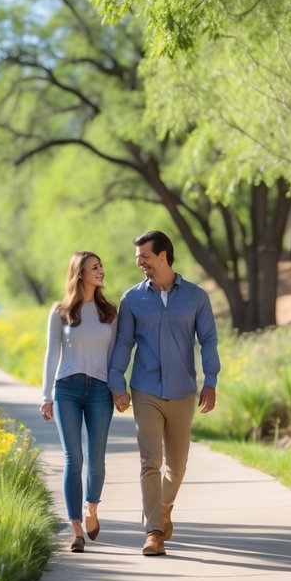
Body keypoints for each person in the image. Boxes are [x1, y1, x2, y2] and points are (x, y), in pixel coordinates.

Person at [108, 230, 220, 557]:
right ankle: (153, 532)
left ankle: (164, 506)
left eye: (144, 256)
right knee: (150, 461)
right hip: (145, 390)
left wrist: (210, 380)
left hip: (184, 390)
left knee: (178, 466)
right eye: (138, 257)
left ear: (163, 256)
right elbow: (124, 344)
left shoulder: (196, 297)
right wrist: (117, 383)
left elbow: (208, 340)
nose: (140, 262)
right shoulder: (132, 299)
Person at [41, 250, 118, 553]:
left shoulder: (110, 312)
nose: (101, 271)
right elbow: (51, 355)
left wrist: (116, 389)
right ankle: (75, 529)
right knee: (74, 459)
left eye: (101, 266)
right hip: (67, 390)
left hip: (100, 390)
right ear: (79, 274)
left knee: (96, 459)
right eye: (94, 267)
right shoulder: (60, 311)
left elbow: (114, 358)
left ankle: (92, 508)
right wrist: (46, 395)